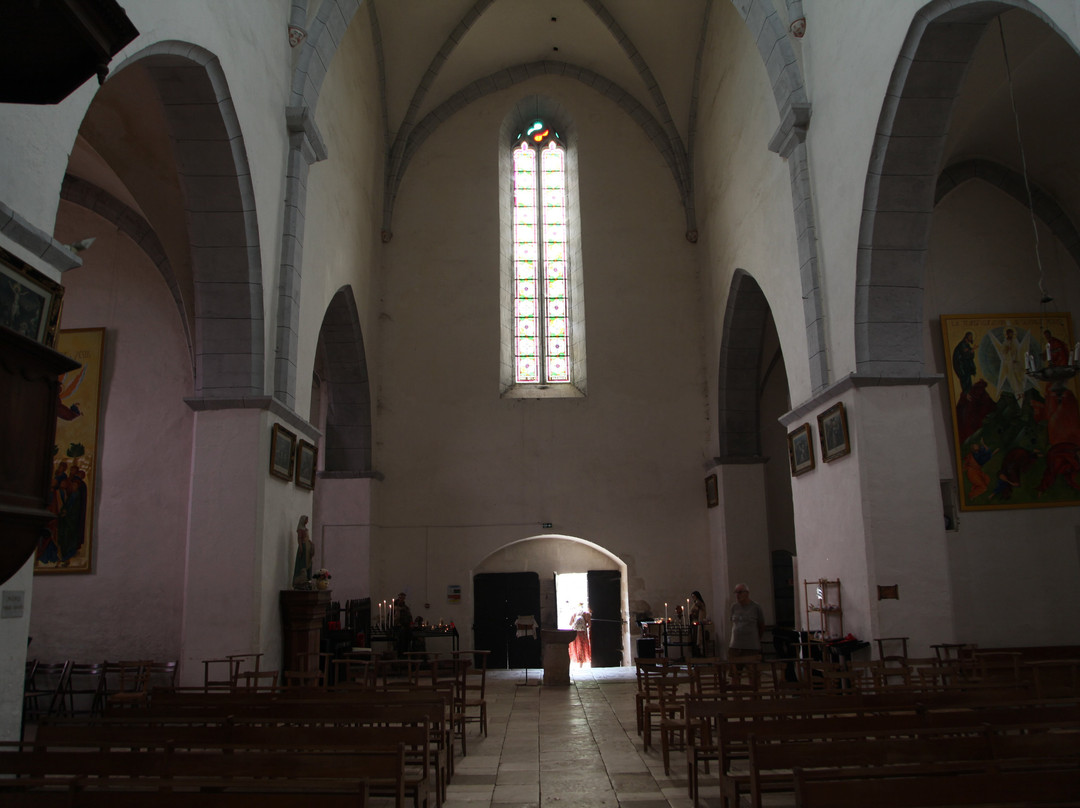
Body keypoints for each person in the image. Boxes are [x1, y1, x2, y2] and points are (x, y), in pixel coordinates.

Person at [729, 583, 764, 661]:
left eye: (740, 592)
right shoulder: (734, 607)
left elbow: (761, 625)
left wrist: (757, 639)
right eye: (736, 592)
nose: (737, 595)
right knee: (733, 667)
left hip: (751, 647)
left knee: (751, 668)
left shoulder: (756, 607)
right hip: (735, 646)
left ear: (747, 593)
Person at [291, 515, 314, 589]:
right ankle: (301, 581)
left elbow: (308, 538)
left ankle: (307, 579)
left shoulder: (306, 529)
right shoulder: (300, 529)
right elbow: (299, 538)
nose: (307, 521)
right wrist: (300, 547)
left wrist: (311, 543)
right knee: (302, 563)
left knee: (309, 563)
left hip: (308, 547)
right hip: (303, 547)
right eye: (306, 520)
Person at [568, 602, 591, 668]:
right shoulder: (586, 614)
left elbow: (570, 623)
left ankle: (575, 661)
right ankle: (581, 664)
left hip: (575, 633)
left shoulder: (574, 614)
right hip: (582, 633)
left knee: (576, 647)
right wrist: (585, 626)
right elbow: (589, 625)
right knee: (582, 647)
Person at [689, 591, 708, 655]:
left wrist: (693, 612)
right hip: (695, 622)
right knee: (695, 637)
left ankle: (700, 652)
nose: (693, 598)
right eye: (692, 596)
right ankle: (696, 652)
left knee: (699, 636)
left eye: (694, 596)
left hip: (699, 622)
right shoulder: (696, 603)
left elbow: (696, 610)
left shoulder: (698, 603)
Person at [394, 592, 413, 656]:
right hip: (398, 628)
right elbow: (393, 617)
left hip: (406, 627)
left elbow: (409, 617)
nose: (402, 599)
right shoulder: (395, 608)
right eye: (400, 597)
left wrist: (410, 623)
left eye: (403, 598)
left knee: (406, 642)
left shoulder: (406, 608)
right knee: (399, 642)